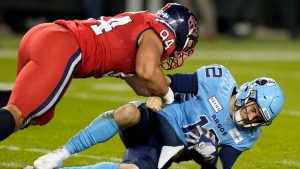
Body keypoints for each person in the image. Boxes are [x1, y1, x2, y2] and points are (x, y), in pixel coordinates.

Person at [0, 3, 200, 141]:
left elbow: (141, 84)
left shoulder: (142, 23)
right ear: (180, 34)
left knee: (35, 114)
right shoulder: (160, 32)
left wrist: (167, 86)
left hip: (44, 35)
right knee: (19, 114)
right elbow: (147, 72)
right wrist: (167, 95)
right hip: (63, 47)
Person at [31, 64, 284, 169]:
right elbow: (172, 82)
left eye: (258, 117)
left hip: (167, 147)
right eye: (253, 108)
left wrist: (208, 157)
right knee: (127, 112)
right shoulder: (219, 80)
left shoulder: (248, 135)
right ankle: (61, 153)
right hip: (156, 118)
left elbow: (220, 165)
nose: (251, 117)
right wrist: (159, 93)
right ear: (247, 93)